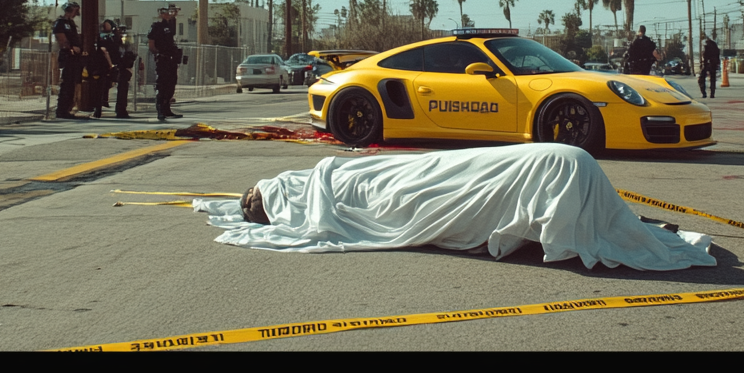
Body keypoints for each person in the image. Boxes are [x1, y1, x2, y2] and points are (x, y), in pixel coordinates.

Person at [196, 144, 716, 271]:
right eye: (260, 201)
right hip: (532, 167)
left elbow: (337, 176)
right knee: (425, 189)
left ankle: (627, 222)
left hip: (401, 178)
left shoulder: (306, 179)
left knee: (427, 185)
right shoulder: (303, 185)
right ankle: (626, 223)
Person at [148, 5, 184, 122]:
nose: (167, 14)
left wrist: (175, 13)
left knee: (171, 85)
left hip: (171, 59)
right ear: (160, 14)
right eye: (165, 12)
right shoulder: (156, 26)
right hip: (162, 59)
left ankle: (167, 109)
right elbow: (151, 43)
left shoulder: (169, 26)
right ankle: (160, 111)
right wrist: (157, 54)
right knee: (162, 85)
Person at [52, 1, 85, 119]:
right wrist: (70, 47)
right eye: (75, 10)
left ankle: (67, 109)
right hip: (68, 55)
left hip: (75, 57)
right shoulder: (61, 23)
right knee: (67, 83)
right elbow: (61, 39)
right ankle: (61, 110)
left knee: (72, 83)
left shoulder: (71, 23)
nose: (77, 13)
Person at [92, 20, 130, 119]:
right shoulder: (103, 36)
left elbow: (123, 50)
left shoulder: (116, 38)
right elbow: (104, 50)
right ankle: (99, 109)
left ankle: (119, 110)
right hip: (105, 64)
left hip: (114, 64)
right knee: (101, 87)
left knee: (119, 85)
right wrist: (111, 64)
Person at [697, 32, 720, 98]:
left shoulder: (705, 44)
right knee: (712, 78)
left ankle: (704, 93)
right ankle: (712, 93)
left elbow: (704, 55)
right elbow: (717, 54)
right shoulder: (714, 44)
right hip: (713, 63)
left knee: (701, 79)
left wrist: (703, 63)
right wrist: (717, 63)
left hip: (706, 63)